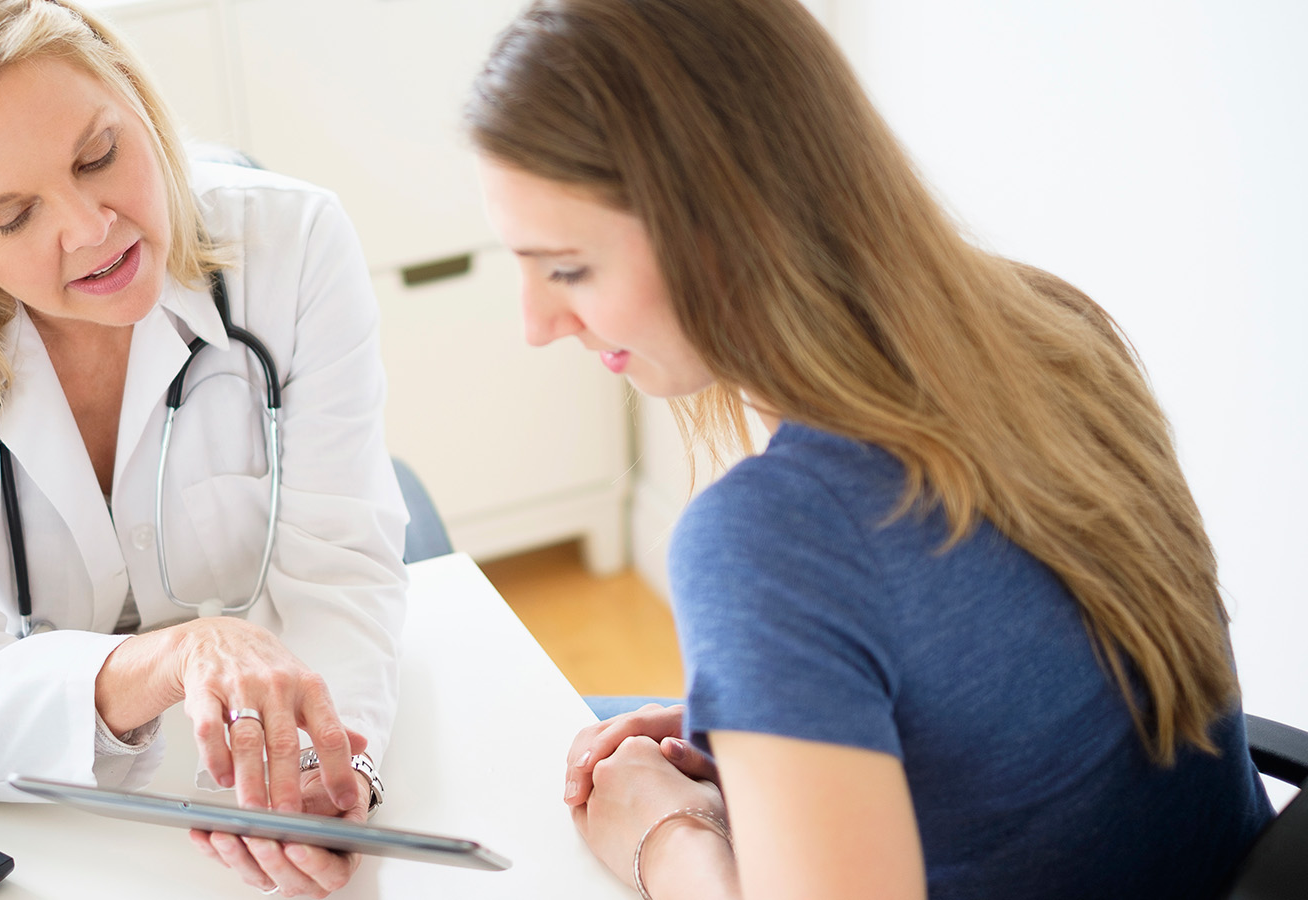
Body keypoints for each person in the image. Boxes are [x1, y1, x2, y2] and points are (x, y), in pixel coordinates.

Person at [465, 1, 1273, 898]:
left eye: (568, 269)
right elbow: (1017, 673)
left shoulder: (775, 537)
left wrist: (659, 831)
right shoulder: (1053, 327)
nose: (536, 324)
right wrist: (772, 727)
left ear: (725, 228)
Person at [0, 0, 403, 894]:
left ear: (139, 103)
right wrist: (171, 660)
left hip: (237, 788)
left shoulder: (294, 245)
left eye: (100, 156)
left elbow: (340, 570)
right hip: (12, 819)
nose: (91, 228)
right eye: (10, 218)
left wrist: (322, 766)